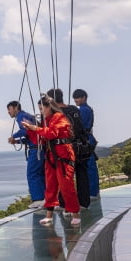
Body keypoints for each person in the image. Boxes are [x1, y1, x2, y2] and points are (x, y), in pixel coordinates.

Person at [22, 94, 81, 226]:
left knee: (66, 185)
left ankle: (75, 213)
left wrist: (35, 128)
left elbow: (51, 133)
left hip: (63, 155)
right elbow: (41, 137)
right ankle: (49, 215)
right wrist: (31, 130)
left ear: (49, 107)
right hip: (51, 155)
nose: (41, 112)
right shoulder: (47, 121)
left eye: (42, 109)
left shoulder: (59, 118)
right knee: (51, 186)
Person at [46, 88, 90, 209]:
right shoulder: (74, 109)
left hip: (64, 149)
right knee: (82, 175)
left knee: (65, 178)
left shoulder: (54, 113)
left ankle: (65, 205)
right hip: (80, 147)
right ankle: (84, 203)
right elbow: (80, 128)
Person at [7, 101, 45, 208]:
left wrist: (13, 136)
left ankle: (38, 199)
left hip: (36, 149)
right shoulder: (28, 116)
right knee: (40, 174)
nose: (8, 112)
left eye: (9, 109)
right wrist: (17, 141)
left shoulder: (21, 116)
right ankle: (45, 198)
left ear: (16, 108)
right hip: (40, 147)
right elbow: (30, 136)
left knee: (32, 174)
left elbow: (25, 130)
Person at [72, 89, 101, 199]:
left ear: (84, 97)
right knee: (90, 166)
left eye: (78, 97)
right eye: (75, 98)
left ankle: (92, 192)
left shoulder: (83, 110)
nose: (76, 100)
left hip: (85, 139)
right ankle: (94, 191)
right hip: (88, 138)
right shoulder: (86, 109)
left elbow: (80, 125)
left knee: (89, 166)